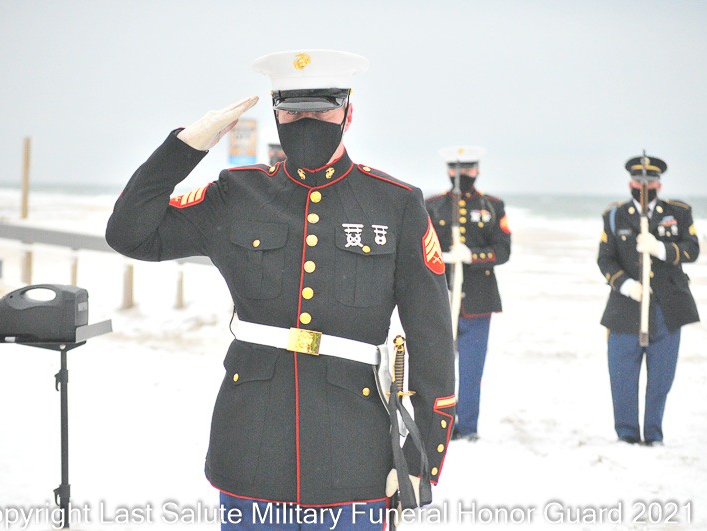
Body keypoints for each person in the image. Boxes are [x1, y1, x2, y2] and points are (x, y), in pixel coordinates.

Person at [105, 49, 456, 529]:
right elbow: (129, 234)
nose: (306, 121)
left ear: (348, 113)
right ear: (275, 115)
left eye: (321, 109)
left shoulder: (395, 204)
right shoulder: (236, 195)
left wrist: (420, 457)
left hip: (355, 452)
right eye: (292, 111)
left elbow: (432, 337)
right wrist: (186, 147)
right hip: (250, 443)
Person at [597, 155, 700, 446]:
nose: (644, 185)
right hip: (625, 307)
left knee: (661, 378)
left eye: (650, 181)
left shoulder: (678, 213)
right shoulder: (615, 216)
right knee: (622, 376)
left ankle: (654, 435)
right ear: (630, 183)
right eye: (638, 180)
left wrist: (661, 249)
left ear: (659, 184)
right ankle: (626, 435)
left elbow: (692, 249)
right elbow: (605, 259)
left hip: (667, 308)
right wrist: (626, 285)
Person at [425, 147, 511, 442]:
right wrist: (443, 257)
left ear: (477, 170)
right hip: (441, 299)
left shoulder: (492, 206)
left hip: (477, 301)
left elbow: (503, 251)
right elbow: (420, 247)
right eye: (455, 169)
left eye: (467, 169)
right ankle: (441, 425)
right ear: (448, 170)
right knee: (438, 369)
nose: (461, 174)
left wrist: (473, 256)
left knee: (472, 370)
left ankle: (469, 426)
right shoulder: (432, 206)